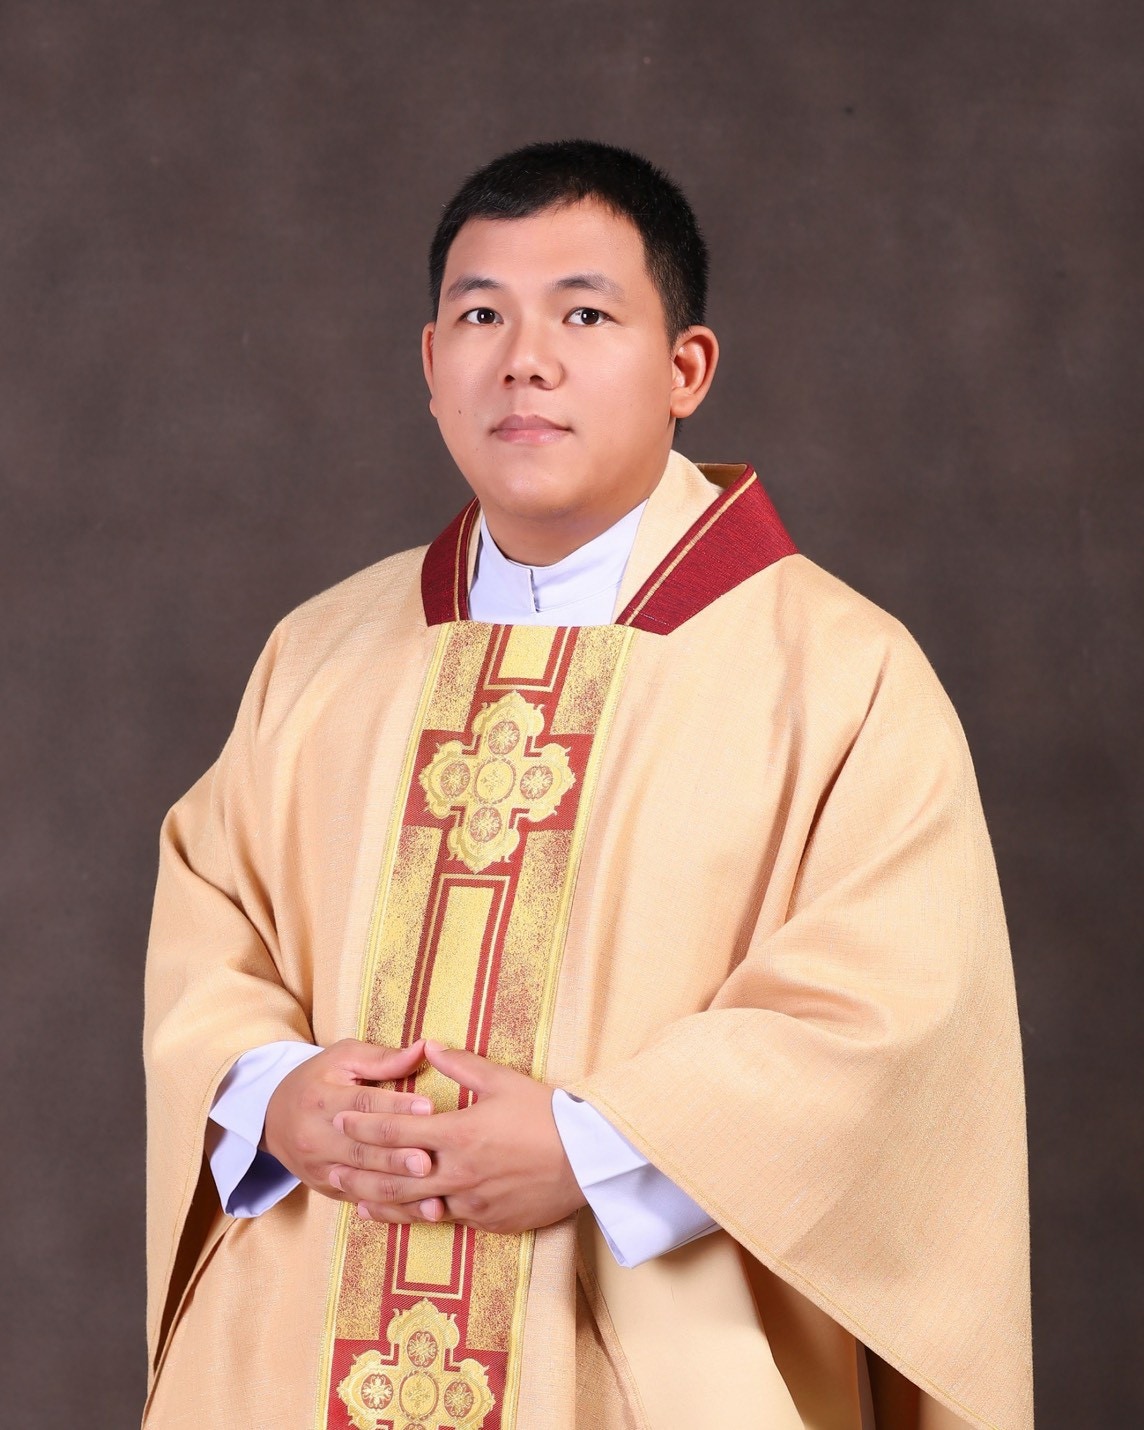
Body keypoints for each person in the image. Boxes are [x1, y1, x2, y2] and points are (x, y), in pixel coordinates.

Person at [143, 140, 1032, 1430]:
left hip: (648, 1355)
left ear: (687, 369)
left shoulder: (839, 673)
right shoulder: (322, 652)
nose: (525, 360)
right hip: (307, 1325)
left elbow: (889, 1017)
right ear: (430, 364)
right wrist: (272, 1092)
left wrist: (594, 1146)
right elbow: (210, 923)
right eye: (481, 316)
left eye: (585, 314)